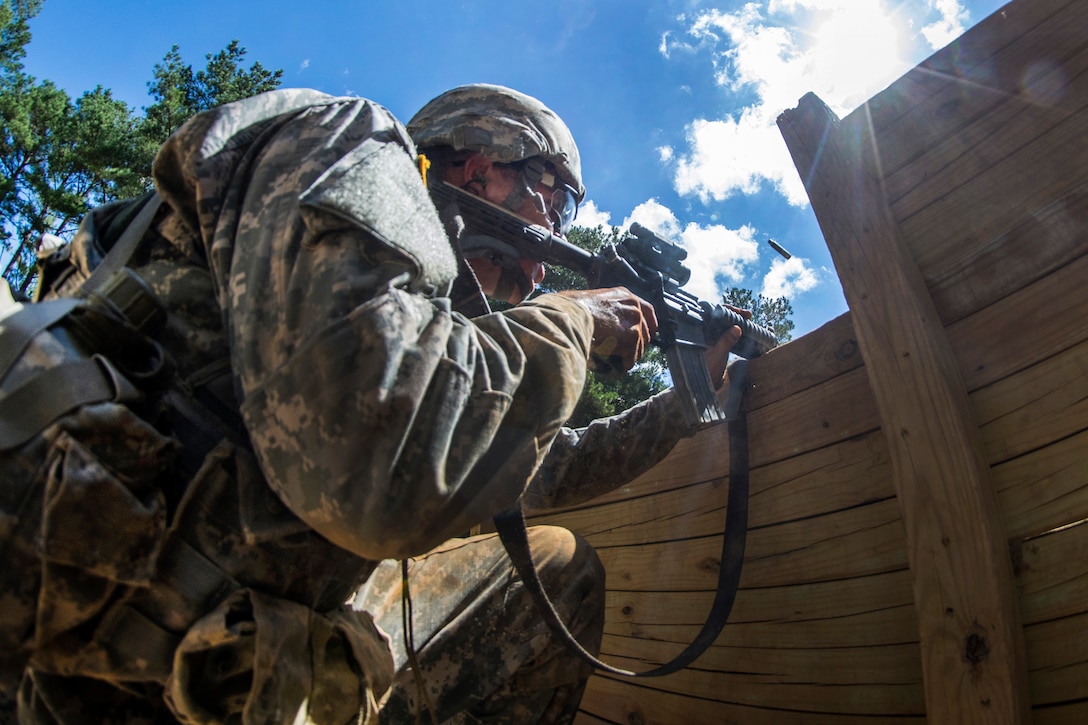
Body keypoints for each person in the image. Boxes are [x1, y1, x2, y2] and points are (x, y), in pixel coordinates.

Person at [0, 84, 740, 724]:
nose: (553, 252)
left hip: (203, 652)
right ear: (485, 166)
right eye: (561, 205)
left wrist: (679, 406)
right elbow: (386, 463)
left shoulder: (404, 305)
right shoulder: (357, 144)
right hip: (135, 678)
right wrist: (576, 319)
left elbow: (526, 471)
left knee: (553, 559)